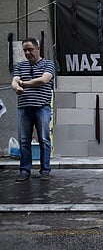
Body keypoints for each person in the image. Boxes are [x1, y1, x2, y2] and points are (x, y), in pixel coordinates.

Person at [11, 38, 55, 182]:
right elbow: (14, 81)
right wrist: (16, 87)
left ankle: (45, 171)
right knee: (24, 141)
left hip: (42, 107)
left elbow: (43, 80)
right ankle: (24, 171)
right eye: (25, 50)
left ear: (37, 49)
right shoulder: (20, 66)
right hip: (24, 108)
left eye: (30, 49)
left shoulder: (48, 64)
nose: (27, 52)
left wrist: (23, 83)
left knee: (44, 140)